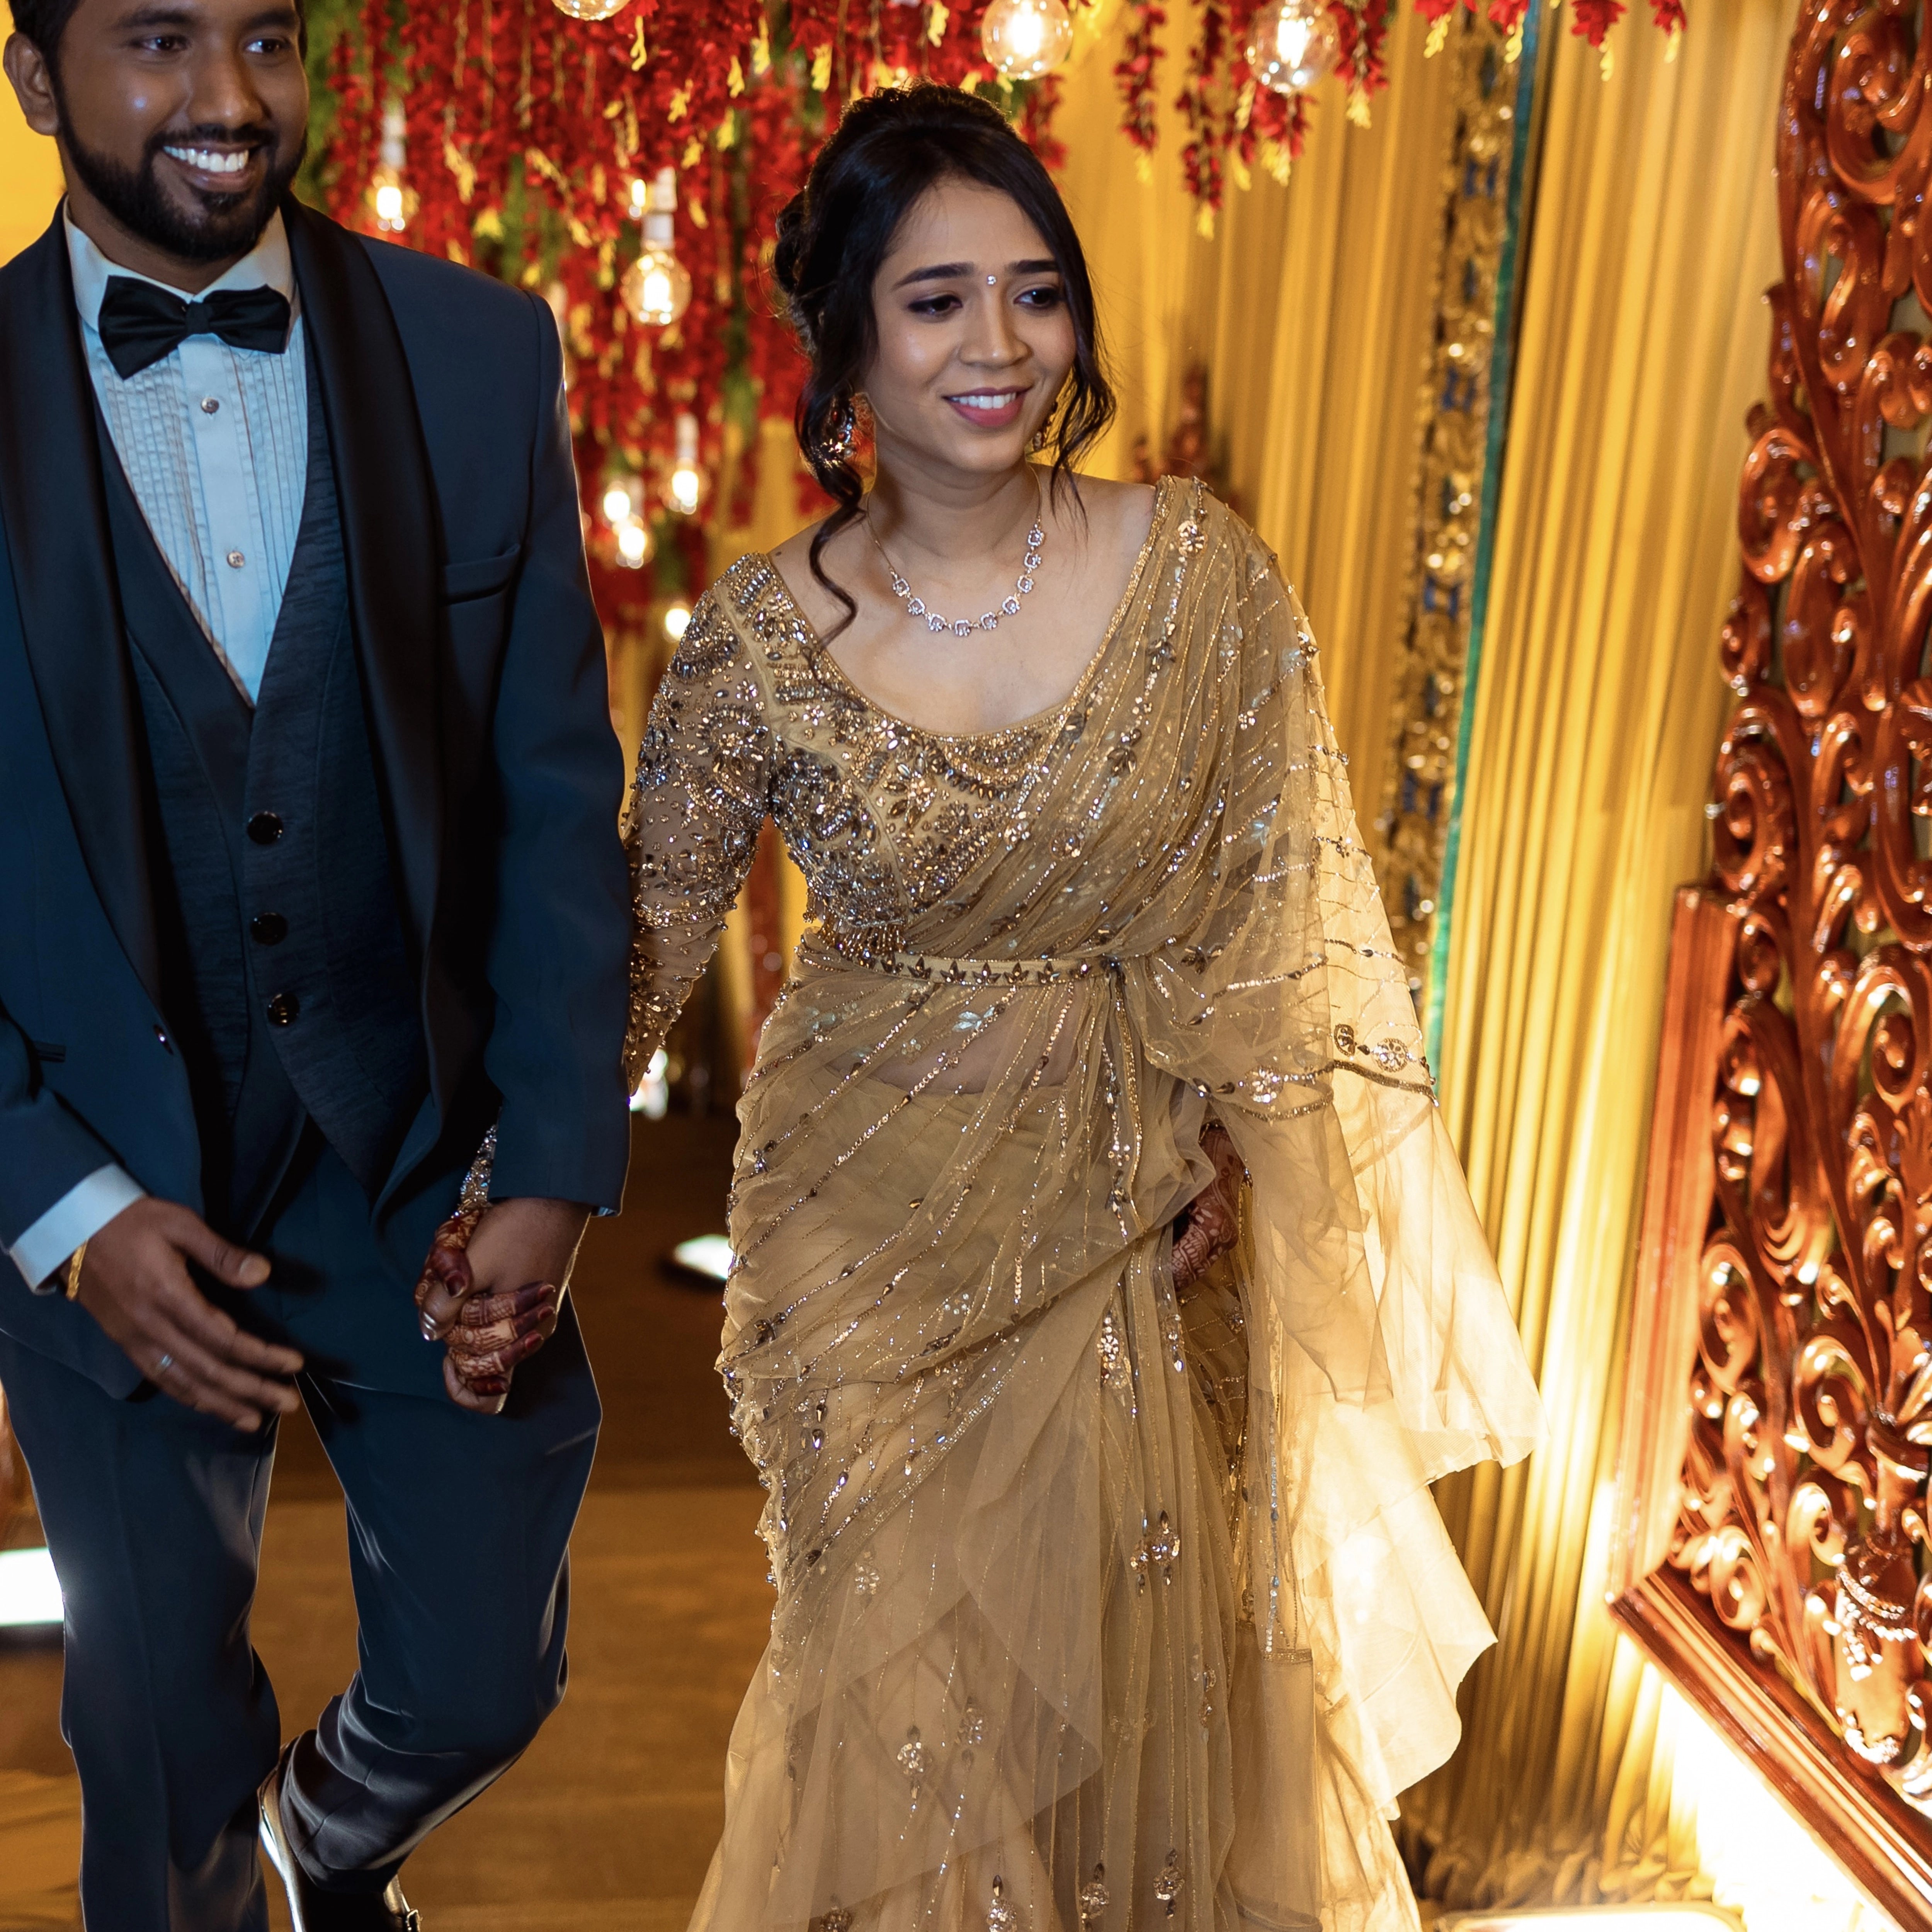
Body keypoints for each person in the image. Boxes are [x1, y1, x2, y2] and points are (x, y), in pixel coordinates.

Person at [613, 86, 1548, 1932]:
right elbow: (635, 957)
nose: (999, 346)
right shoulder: (751, 644)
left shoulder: (1196, 573)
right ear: (849, 340)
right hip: (862, 1261)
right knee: (910, 1729)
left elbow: (1289, 920)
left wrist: (1241, 1138)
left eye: (1034, 295)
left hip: (1130, 1231)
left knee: (1134, 1721)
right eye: (938, 299)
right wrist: (488, 1199)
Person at [0, 0, 632, 1923]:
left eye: (267, 37)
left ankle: (323, 1852)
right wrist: (62, 1205)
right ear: (33, 79)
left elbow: (550, 794)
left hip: (418, 1159)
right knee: (154, 1736)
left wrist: (550, 1167)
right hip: (103, 1186)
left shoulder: (472, 350)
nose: (225, 100)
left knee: (480, 1669)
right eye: (158, 40)